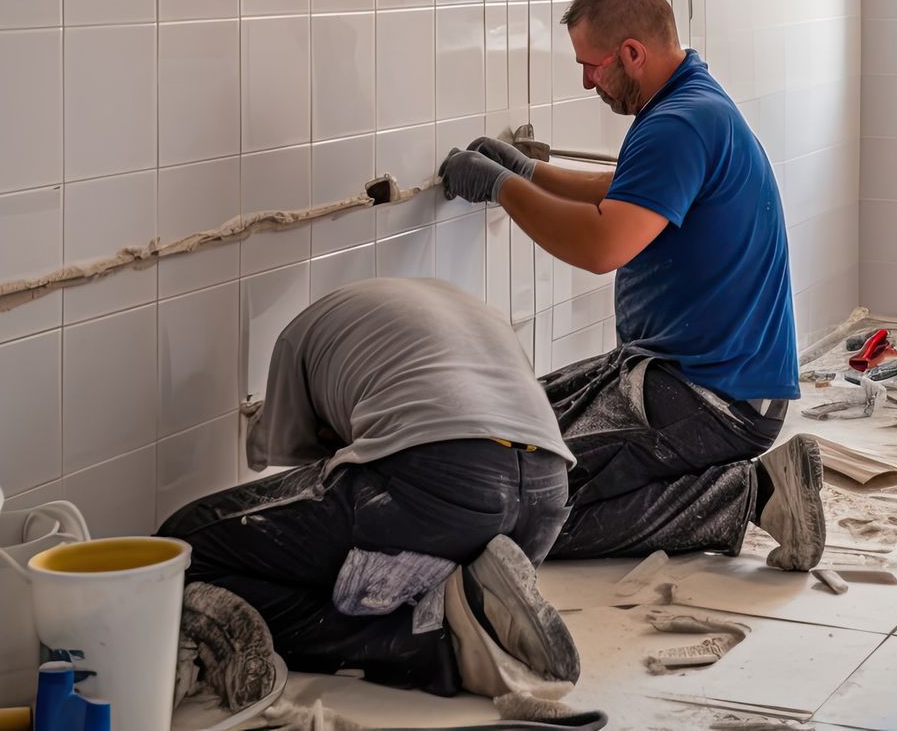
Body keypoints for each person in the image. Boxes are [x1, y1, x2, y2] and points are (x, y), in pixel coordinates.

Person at [434, 0, 826, 572]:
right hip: (700, 377)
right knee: (517, 424)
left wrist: (503, 188)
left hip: (716, 399)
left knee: (519, 506)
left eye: (591, 65)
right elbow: (624, 189)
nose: (587, 80)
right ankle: (730, 487)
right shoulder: (691, 101)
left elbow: (601, 243)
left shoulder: (678, 124)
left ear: (632, 54)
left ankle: (752, 495)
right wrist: (531, 173)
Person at [156, 278, 581, 702]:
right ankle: (468, 597)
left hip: (439, 481)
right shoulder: (470, 312)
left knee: (180, 550)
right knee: (366, 542)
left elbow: (311, 462)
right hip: (545, 502)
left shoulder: (299, 335)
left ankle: (417, 642)